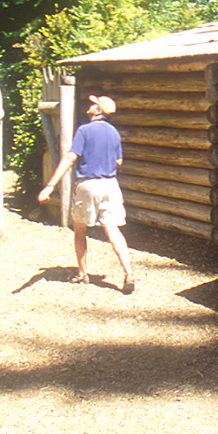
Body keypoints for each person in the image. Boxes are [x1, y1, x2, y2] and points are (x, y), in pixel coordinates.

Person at [37, 94, 135, 293]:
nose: (89, 106)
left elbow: (70, 157)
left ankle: (82, 273)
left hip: (88, 185)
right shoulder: (114, 133)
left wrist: (50, 185)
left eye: (94, 104)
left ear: (98, 111)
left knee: (80, 229)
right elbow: (119, 162)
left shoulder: (84, 130)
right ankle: (129, 273)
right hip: (110, 185)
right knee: (113, 230)